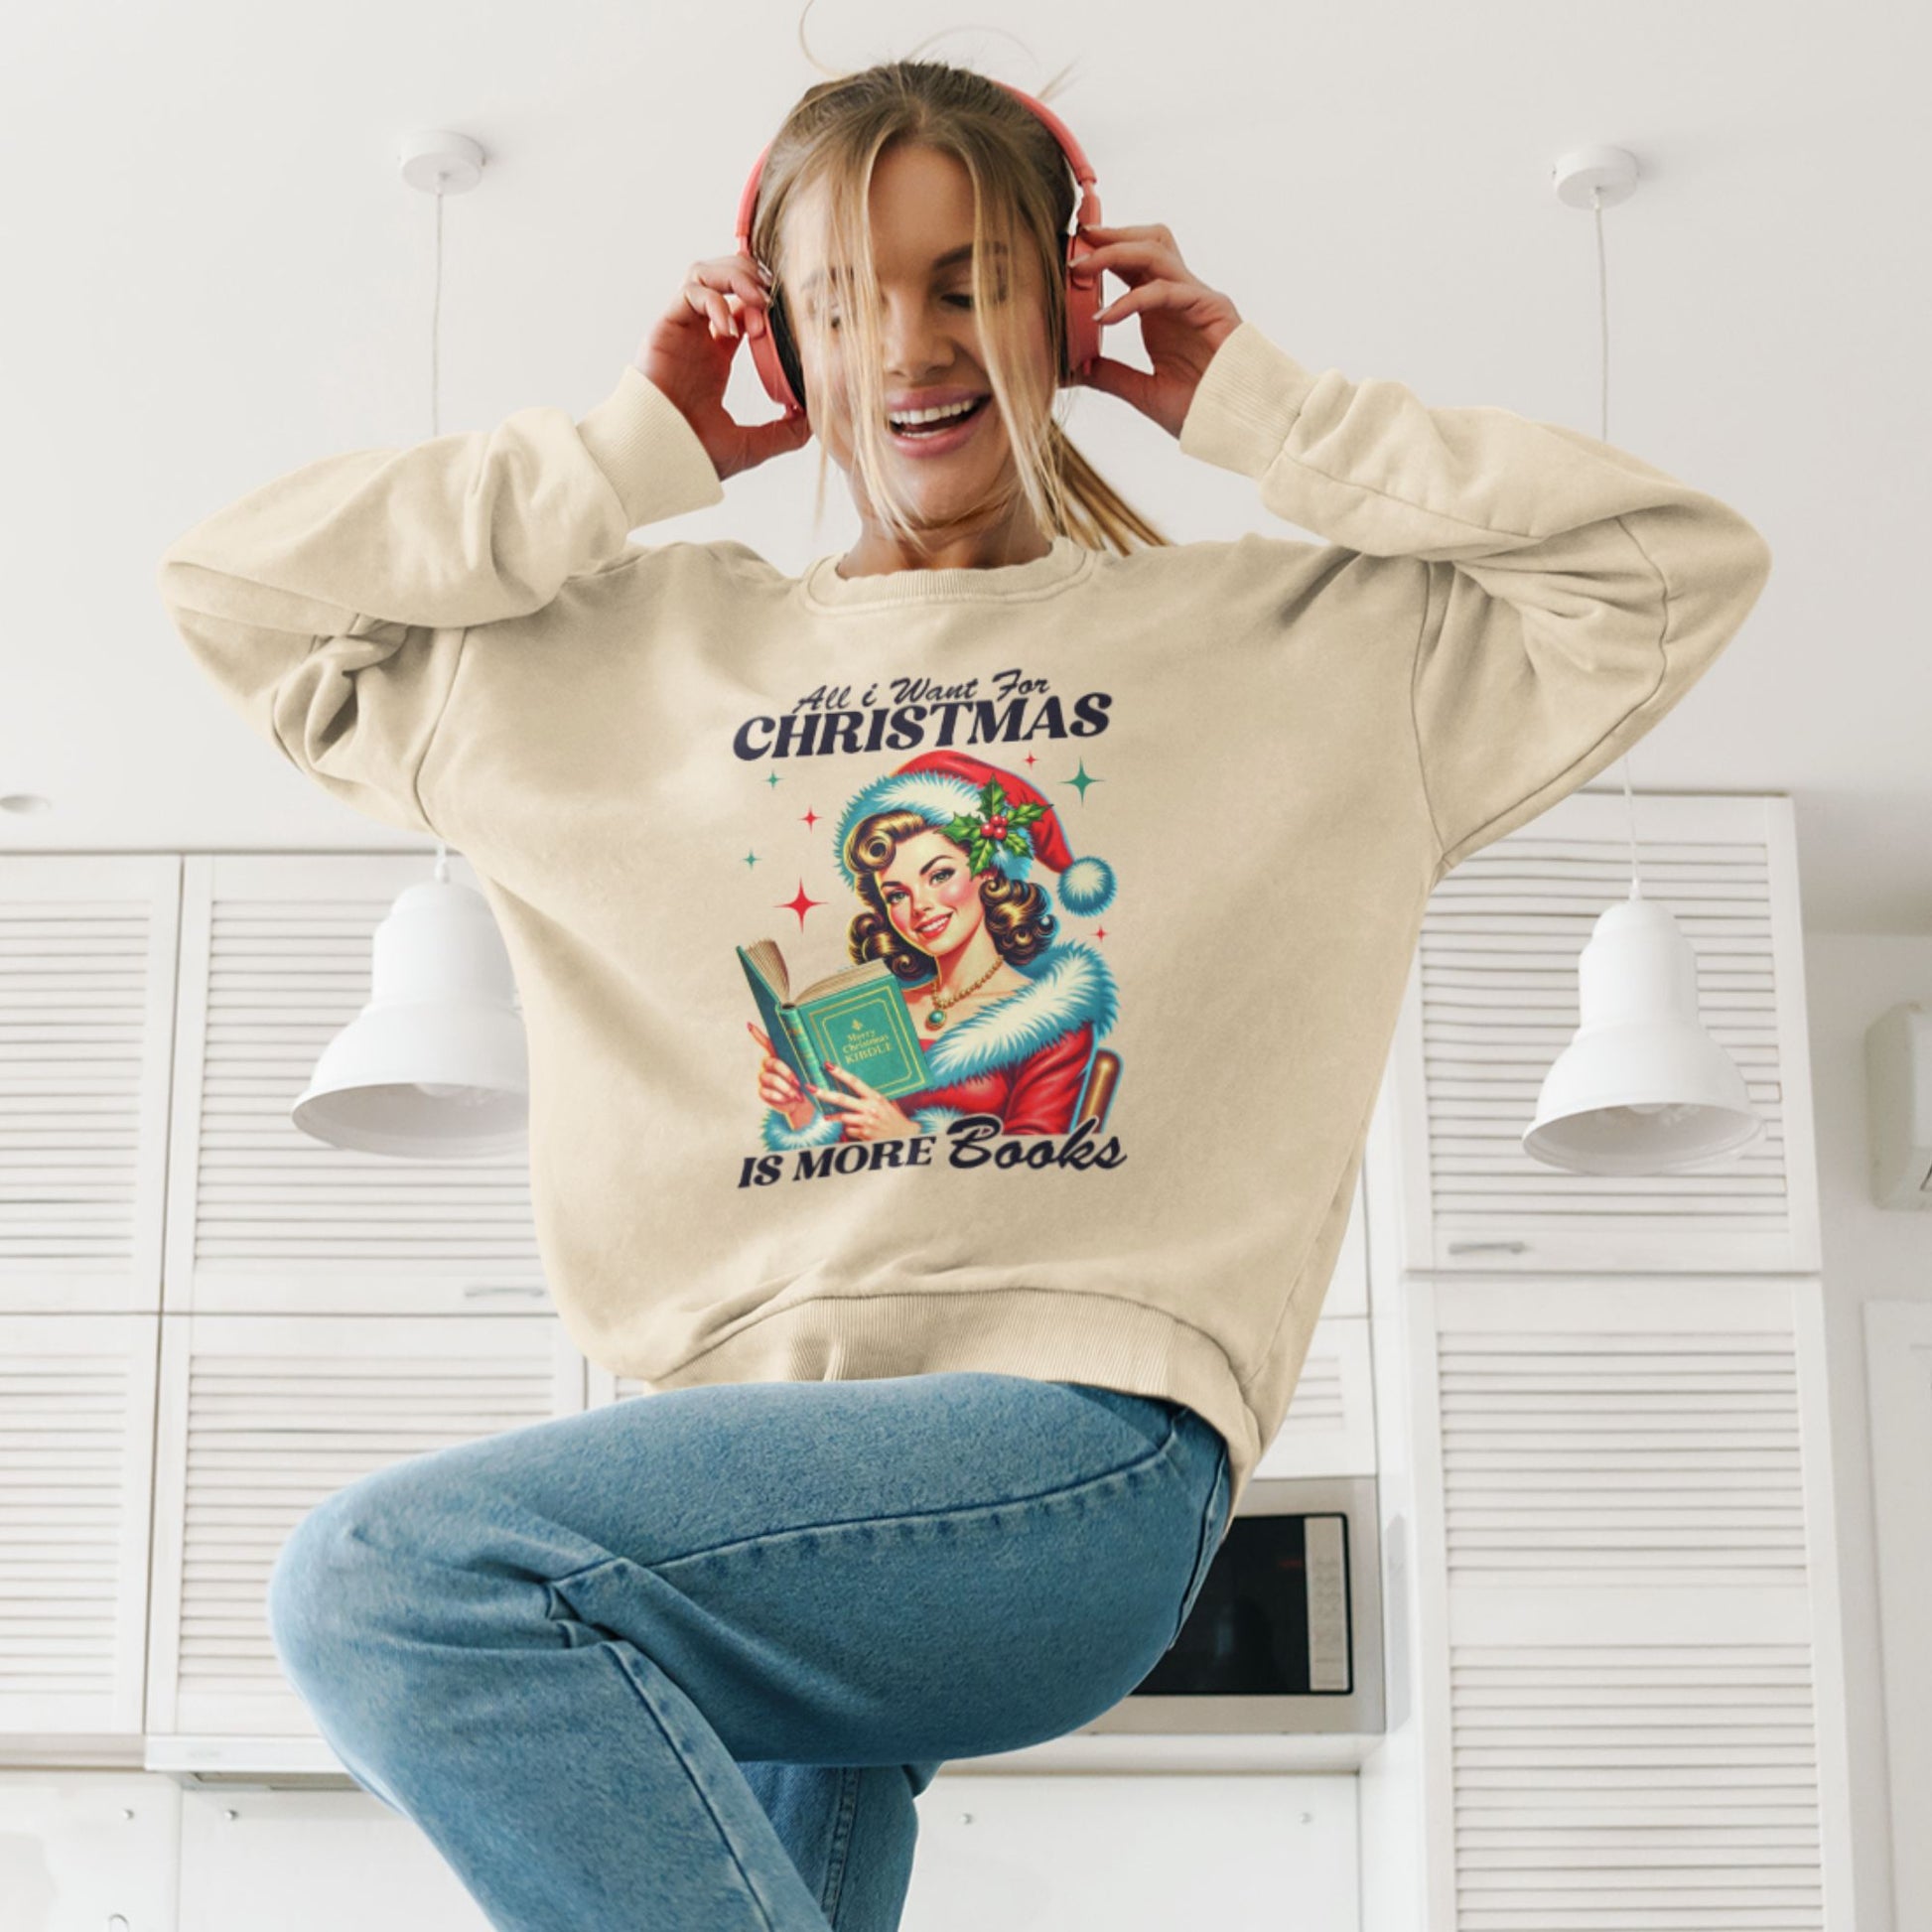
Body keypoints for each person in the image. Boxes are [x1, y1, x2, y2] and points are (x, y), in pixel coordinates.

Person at [155, 55, 1773, 1932]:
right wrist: (629, 453)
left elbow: (1664, 567)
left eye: (965, 279)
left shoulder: (1293, 650)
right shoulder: (616, 664)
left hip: (1066, 1461)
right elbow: (235, 592)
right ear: (775, 336)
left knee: (396, 1581)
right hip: (745, 1480)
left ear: (1064, 305)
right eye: (840, 298)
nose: (909, 347)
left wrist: (1253, 401)